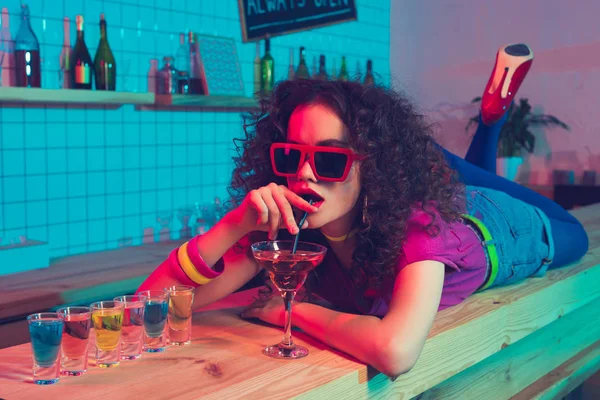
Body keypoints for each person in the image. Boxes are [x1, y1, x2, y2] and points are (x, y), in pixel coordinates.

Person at [137, 43, 589, 377]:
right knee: (446, 178)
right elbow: (148, 307)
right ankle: (444, 152)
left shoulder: (419, 229)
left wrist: (287, 313)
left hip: (500, 232)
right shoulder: (290, 223)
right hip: (426, 196)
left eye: (331, 159)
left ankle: (489, 121)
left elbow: (395, 350)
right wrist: (236, 224)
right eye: (293, 156)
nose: (305, 176)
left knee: (573, 232)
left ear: (370, 166)